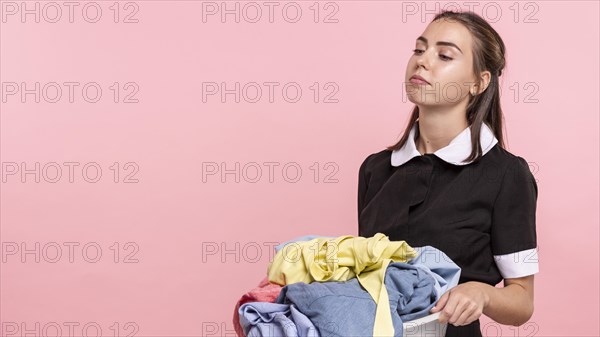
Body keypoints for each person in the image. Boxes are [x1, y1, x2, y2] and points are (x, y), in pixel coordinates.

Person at [357, 10, 539, 337]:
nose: (422, 62)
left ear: (479, 82)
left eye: (444, 55)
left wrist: (481, 293)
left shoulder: (506, 175)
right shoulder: (376, 169)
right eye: (418, 49)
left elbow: (523, 302)